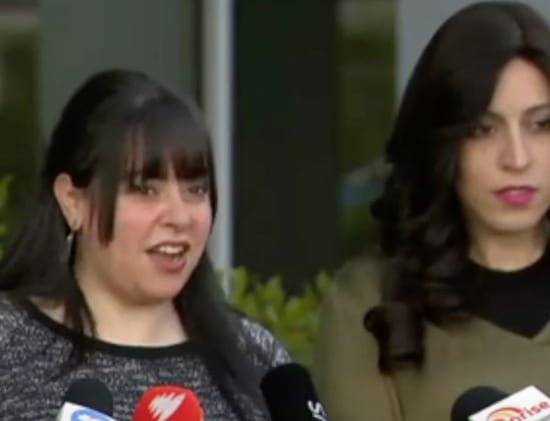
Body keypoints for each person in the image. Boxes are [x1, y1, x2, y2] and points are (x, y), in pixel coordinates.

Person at [0, 69, 290, 420]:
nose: (179, 217)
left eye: (195, 190)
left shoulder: (259, 363)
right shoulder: (9, 344)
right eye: (146, 190)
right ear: (73, 202)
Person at [314, 2, 550, 420]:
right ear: (440, 144)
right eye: (483, 129)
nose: (517, 158)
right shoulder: (368, 301)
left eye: (541, 125)